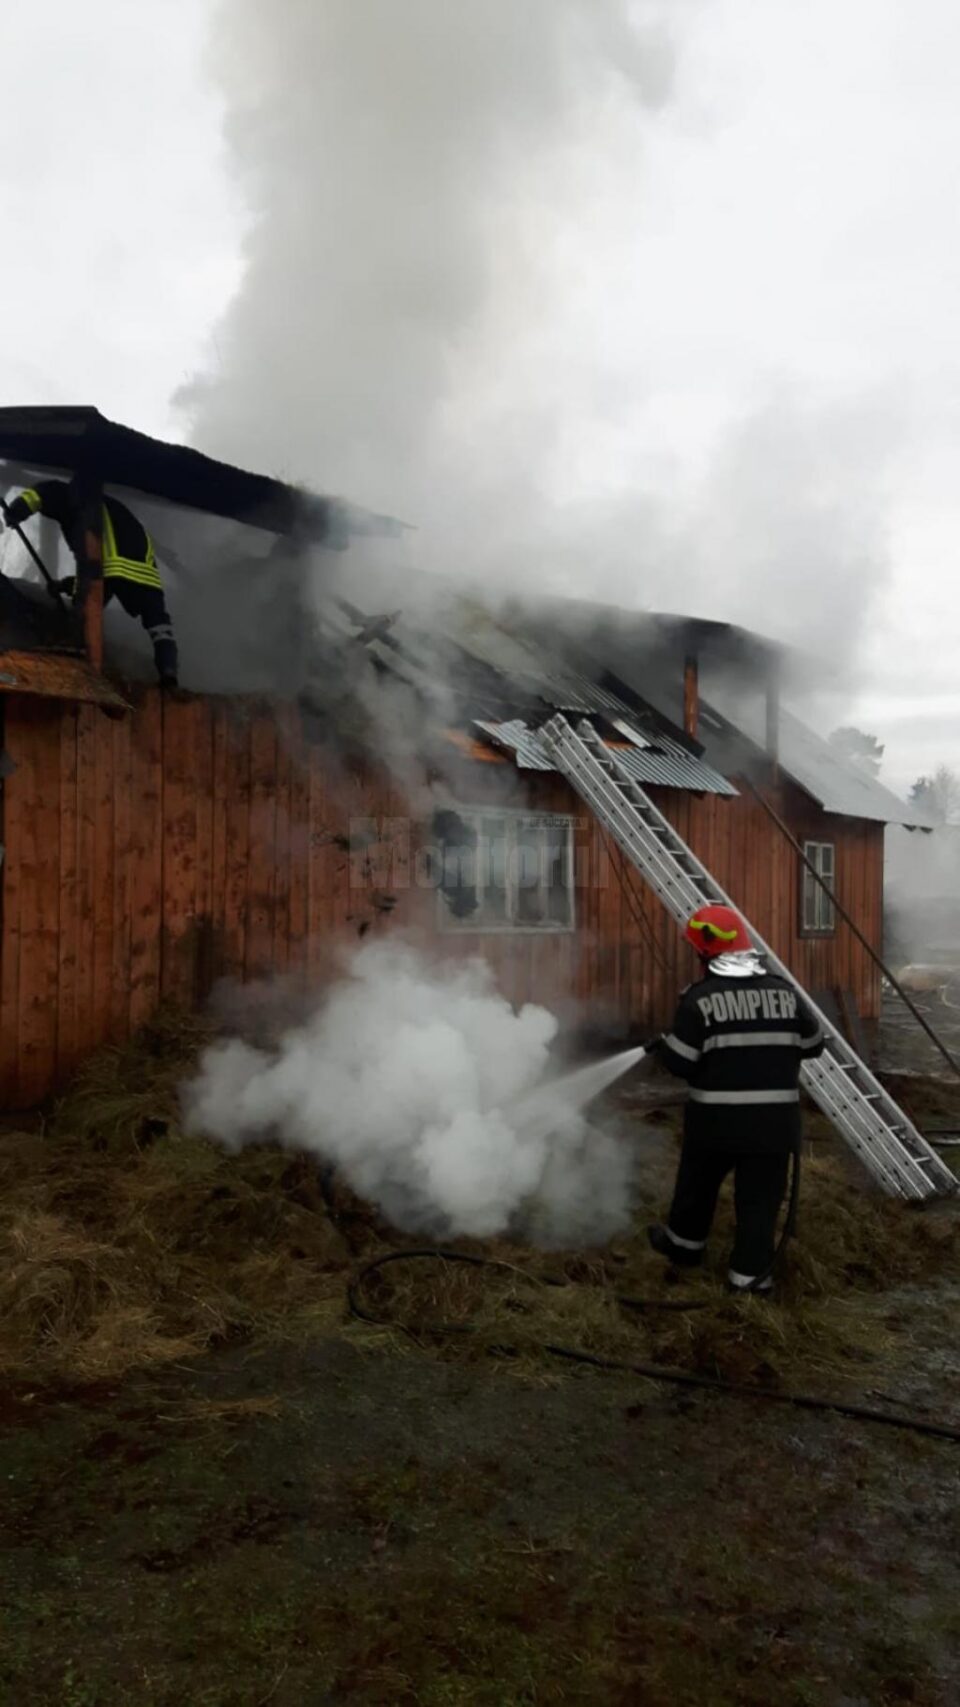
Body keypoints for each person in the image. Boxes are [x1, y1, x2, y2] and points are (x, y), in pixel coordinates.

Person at [648, 903, 825, 1293]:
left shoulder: (698, 1000)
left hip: (716, 1124)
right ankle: (748, 1281)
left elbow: (680, 1062)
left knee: (696, 1186)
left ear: (705, 952)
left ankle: (684, 1250)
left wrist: (665, 1047)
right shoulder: (786, 993)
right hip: (775, 1127)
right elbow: (813, 1046)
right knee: (760, 1203)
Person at [1, 479, 178, 687]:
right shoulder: (113, 511)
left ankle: (75, 655)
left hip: (107, 566)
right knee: (159, 625)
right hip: (145, 573)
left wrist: (16, 511)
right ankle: (169, 674)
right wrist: (65, 585)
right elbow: (109, 573)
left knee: (83, 614)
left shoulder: (77, 499)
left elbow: (43, 493)